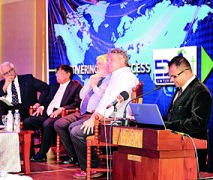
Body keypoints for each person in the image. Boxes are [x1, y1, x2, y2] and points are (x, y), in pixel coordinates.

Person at [69, 48, 139, 179]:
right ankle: (89, 166)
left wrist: (96, 118)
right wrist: (94, 116)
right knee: (73, 128)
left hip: (116, 122)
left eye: (111, 60)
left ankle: (93, 167)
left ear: (123, 60)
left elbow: (114, 103)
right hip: (106, 118)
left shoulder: (126, 77)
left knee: (76, 132)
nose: (108, 63)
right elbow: (105, 101)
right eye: (108, 60)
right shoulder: (117, 76)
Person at [54, 54, 111, 165]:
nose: (97, 66)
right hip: (82, 112)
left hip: (93, 114)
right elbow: (81, 96)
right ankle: (73, 155)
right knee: (59, 124)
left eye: (100, 63)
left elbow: (104, 98)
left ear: (107, 65)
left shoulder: (109, 81)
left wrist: (95, 86)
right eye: (96, 63)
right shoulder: (94, 78)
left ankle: (87, 162)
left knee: (73, 128)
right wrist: (90, 83)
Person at [23, 64, 82, 162]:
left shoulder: (75, 87)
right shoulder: (54, 86)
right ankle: (29, 152)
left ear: (68, 74)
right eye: (57, 72)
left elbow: (77, 103)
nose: (56, 75)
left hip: (61, 114)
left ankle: (41, 154)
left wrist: (62, 109)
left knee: (47, 124)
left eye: (59, 72)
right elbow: (47, 99)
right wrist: (41, 107)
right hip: (47, 113)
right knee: (28, 121)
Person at [164, 55, 212, 171]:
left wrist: (169, 125)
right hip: (175, 149)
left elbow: (198, 123)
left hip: (191, 152)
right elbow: (172, 116)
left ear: (186, 72)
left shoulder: (200, 92)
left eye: (174, 76)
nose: (172, 80)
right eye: (170, 76)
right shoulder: (180, 90)